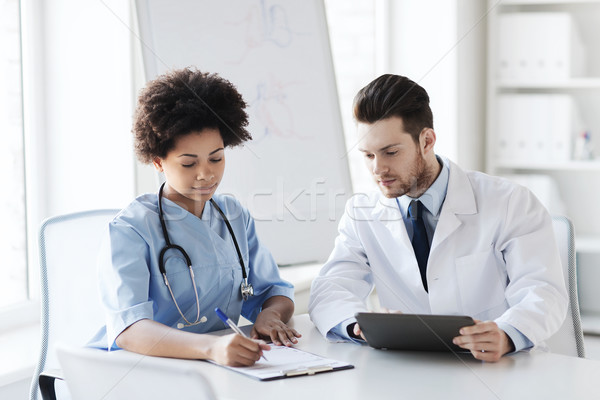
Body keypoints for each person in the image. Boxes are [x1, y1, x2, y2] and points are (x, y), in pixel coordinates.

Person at [308, 74, 567, 362]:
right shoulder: (361, 214)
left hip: (497, 367)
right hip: (409, 367)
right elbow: (330, 289)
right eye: (368, 155)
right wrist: (356, 327)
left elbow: (544, 291)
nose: (378, 169)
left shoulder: (509, 202)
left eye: (390, 152)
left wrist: (507, 334)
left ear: (427, 141)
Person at [89, 67, 300, 367]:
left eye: (216, 158)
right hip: (140, 368)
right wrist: (209, 348)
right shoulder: (131, 229)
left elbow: (274, 291)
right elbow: (128, 330)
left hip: (214, 366)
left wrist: (270, 314)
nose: (207, 174)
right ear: (158, 161)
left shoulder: (234, 216)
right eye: (189, 163)